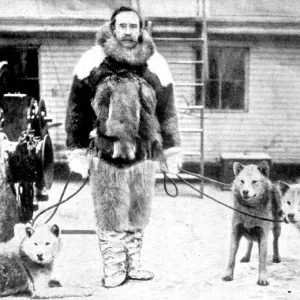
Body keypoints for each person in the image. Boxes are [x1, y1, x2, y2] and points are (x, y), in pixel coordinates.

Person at [65, 6, 182, 288]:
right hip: (106, 154)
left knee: (138, 213)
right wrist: (77, 148)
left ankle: (134, 265)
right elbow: (77, 108)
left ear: (141, 29)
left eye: (134, 26)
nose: (128, 32)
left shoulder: (156, 64)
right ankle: (113, 268)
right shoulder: (93, 61)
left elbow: (167, 111)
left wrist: (172, 149)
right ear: (113, 28)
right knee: (110, 213)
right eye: (123, 26)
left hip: (144, 154)